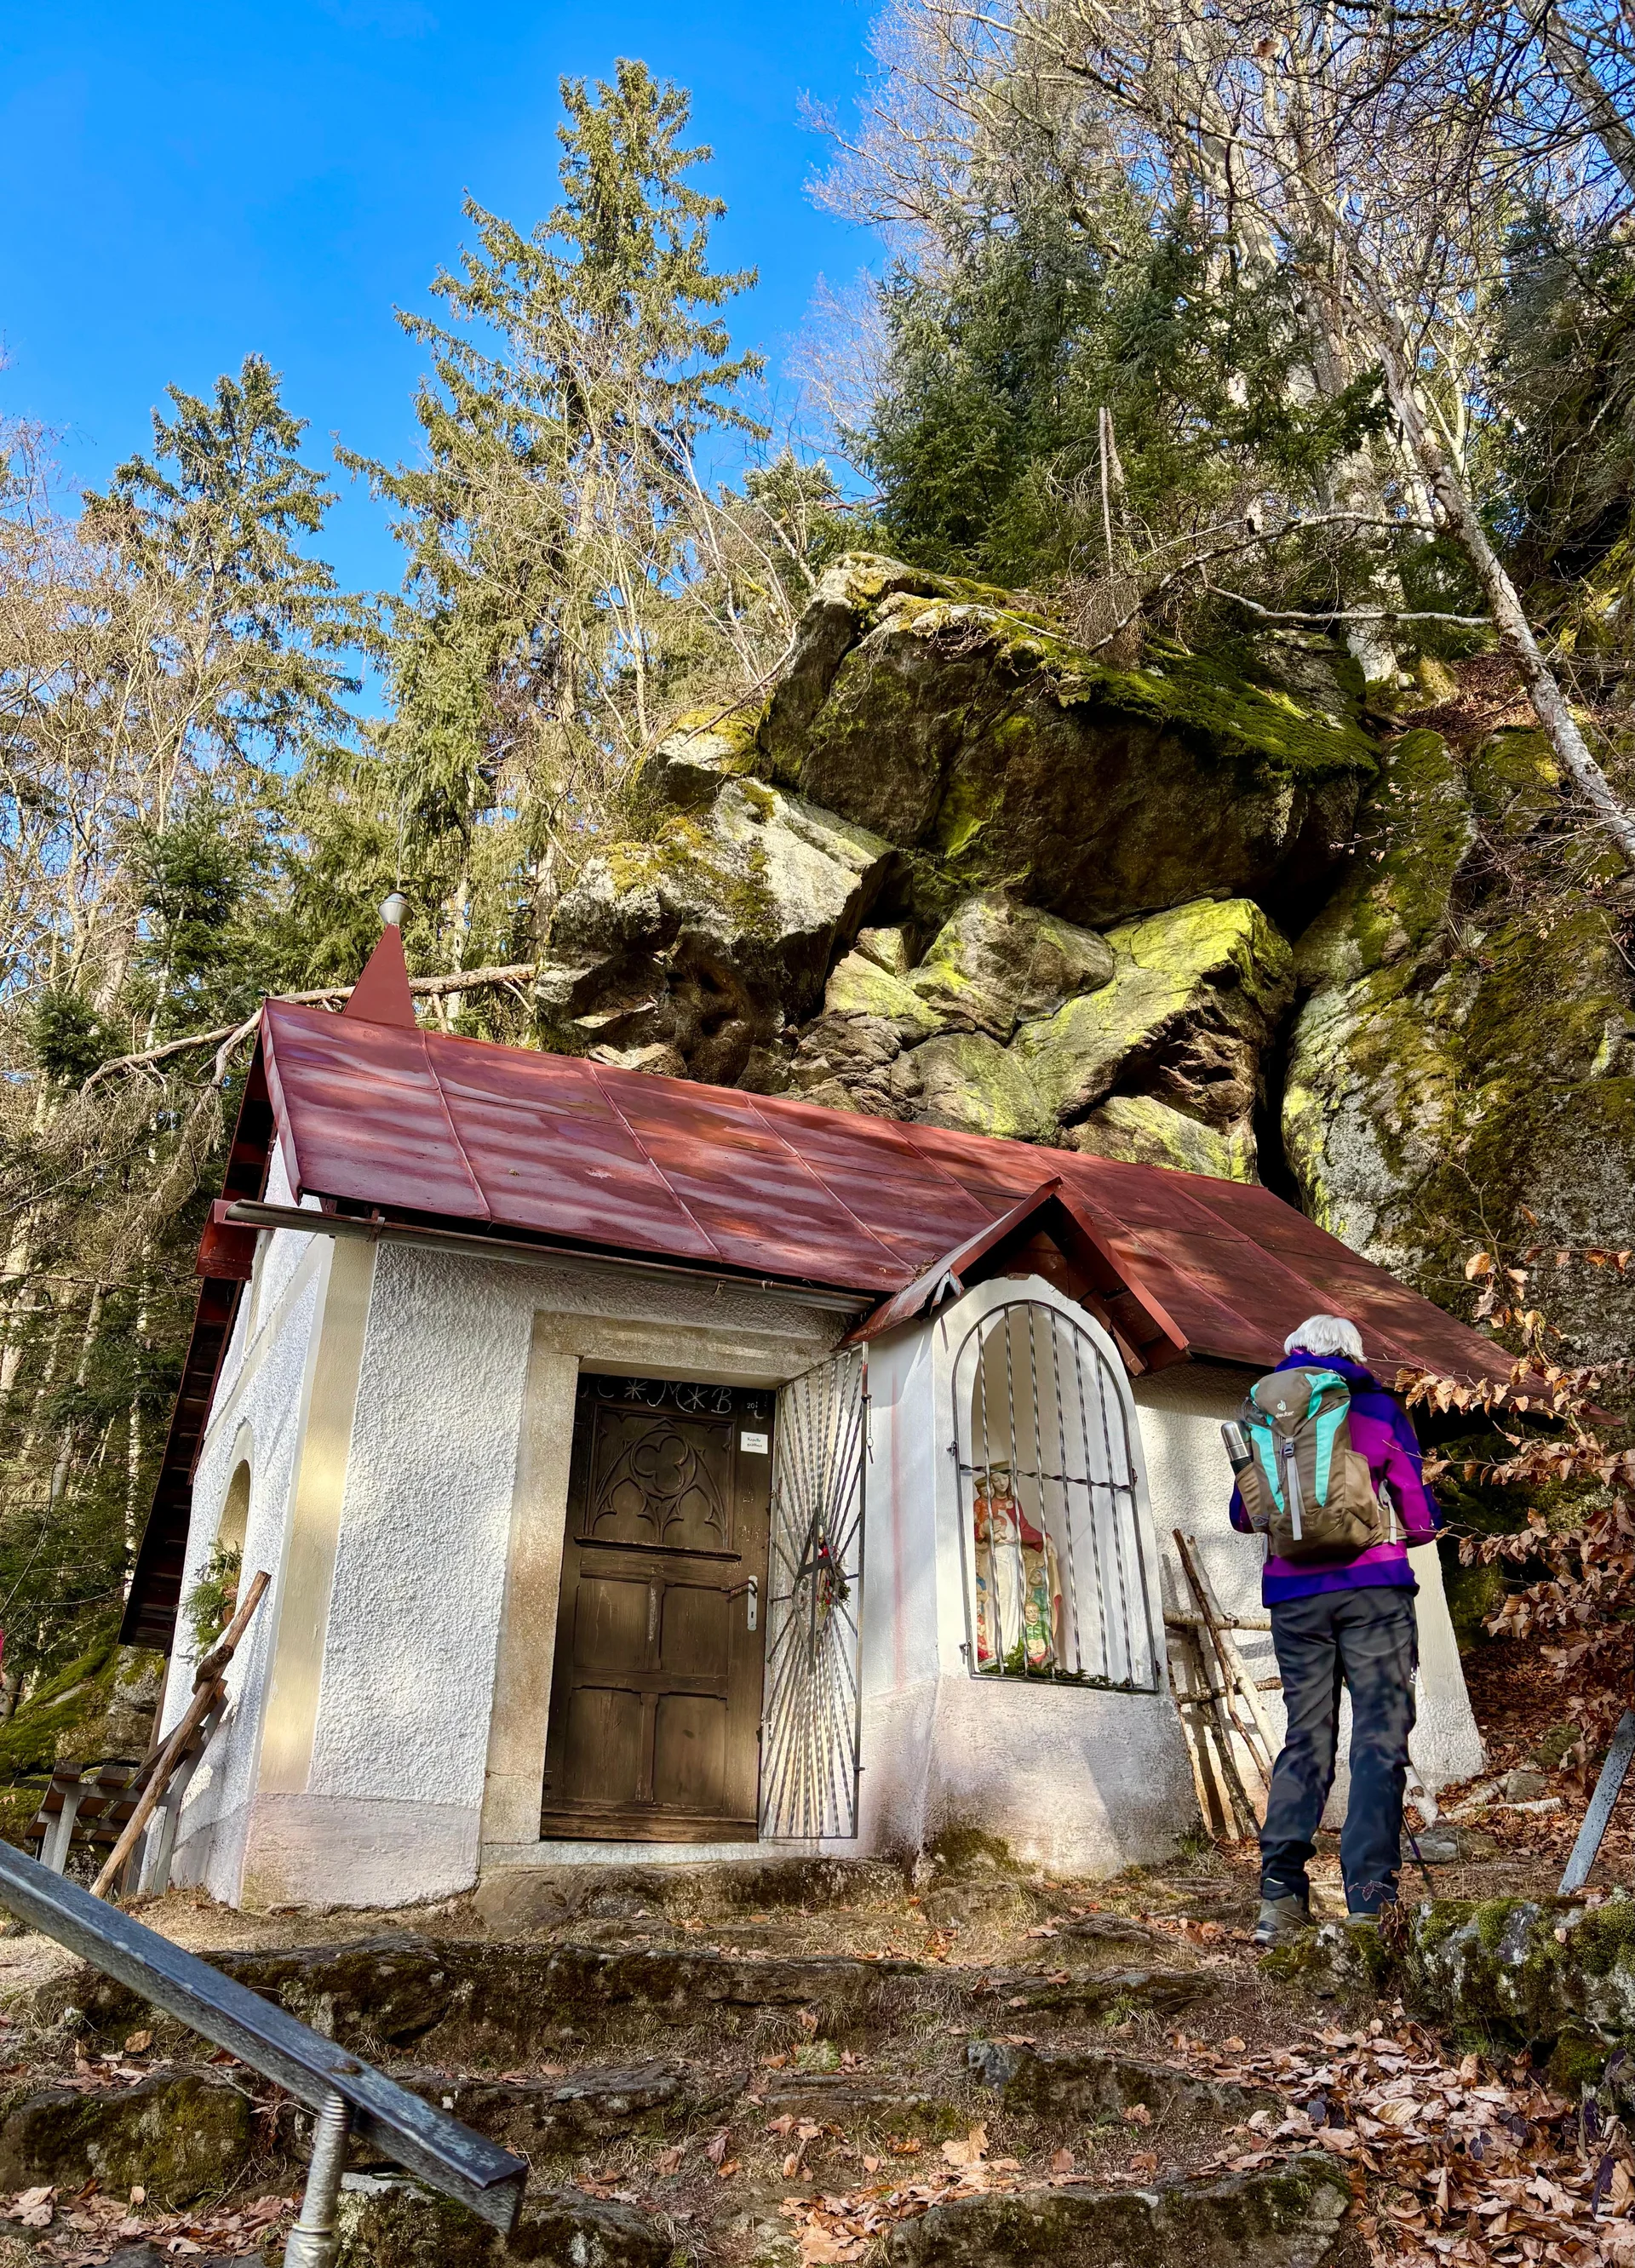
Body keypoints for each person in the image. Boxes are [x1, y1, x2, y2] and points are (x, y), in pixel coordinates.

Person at [1231, 1314, 1439, 1945]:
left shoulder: (1264, 1415)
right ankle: (1369, 1900)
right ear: (1353, 1354)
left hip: (1294, 1598)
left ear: (1293, 1352)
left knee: (1306, 1737)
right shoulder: (1377, 1408)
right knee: (1379, 1735)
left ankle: (1280, 1898)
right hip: (1374, 1591)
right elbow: (1422, 1521)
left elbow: (1244, 1514)